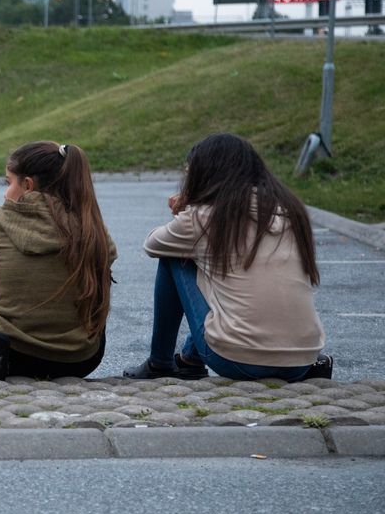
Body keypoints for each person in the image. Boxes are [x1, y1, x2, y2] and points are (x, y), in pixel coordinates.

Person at [124, 133, 331, 381]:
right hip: (301, 361)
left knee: (173, 257)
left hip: (237, 360)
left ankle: (160, 363)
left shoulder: (204, 217)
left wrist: (187, 209)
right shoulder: (290, 211)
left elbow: (152, 244)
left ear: (205, 175)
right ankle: (190, 358)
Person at [0, 141, 117, 380]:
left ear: (27, 185)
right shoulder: (90, 225)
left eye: (8, 183)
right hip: (80, 359)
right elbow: (110, 256)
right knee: (96, 264)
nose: (5, 192)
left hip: (9, 356)